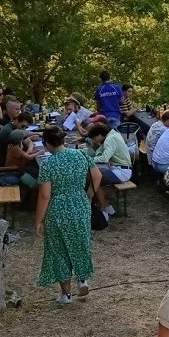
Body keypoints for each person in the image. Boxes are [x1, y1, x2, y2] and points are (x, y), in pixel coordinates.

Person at [35, 125, 102, 304]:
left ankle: (66, 295)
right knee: (80, 243)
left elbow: (45, 195)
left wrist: (39, 219)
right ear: (63, 140)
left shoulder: (47, 164)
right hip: (80, 205)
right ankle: (82, 280)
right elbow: (97, 176)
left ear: (47, 143)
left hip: (58, 209)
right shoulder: (81, 155)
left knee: (58, 250)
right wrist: (86, 197)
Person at [86, 119, 133, 218]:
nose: (94, 141)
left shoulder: (110, 139)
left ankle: (102, 210)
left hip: (121, 172)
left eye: (94, 138)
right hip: (119, 169)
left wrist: (89, 160)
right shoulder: (113, 135)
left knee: (94, 178)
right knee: (95, 179)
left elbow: (104, 158)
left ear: (99, 135)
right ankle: (107, 207)